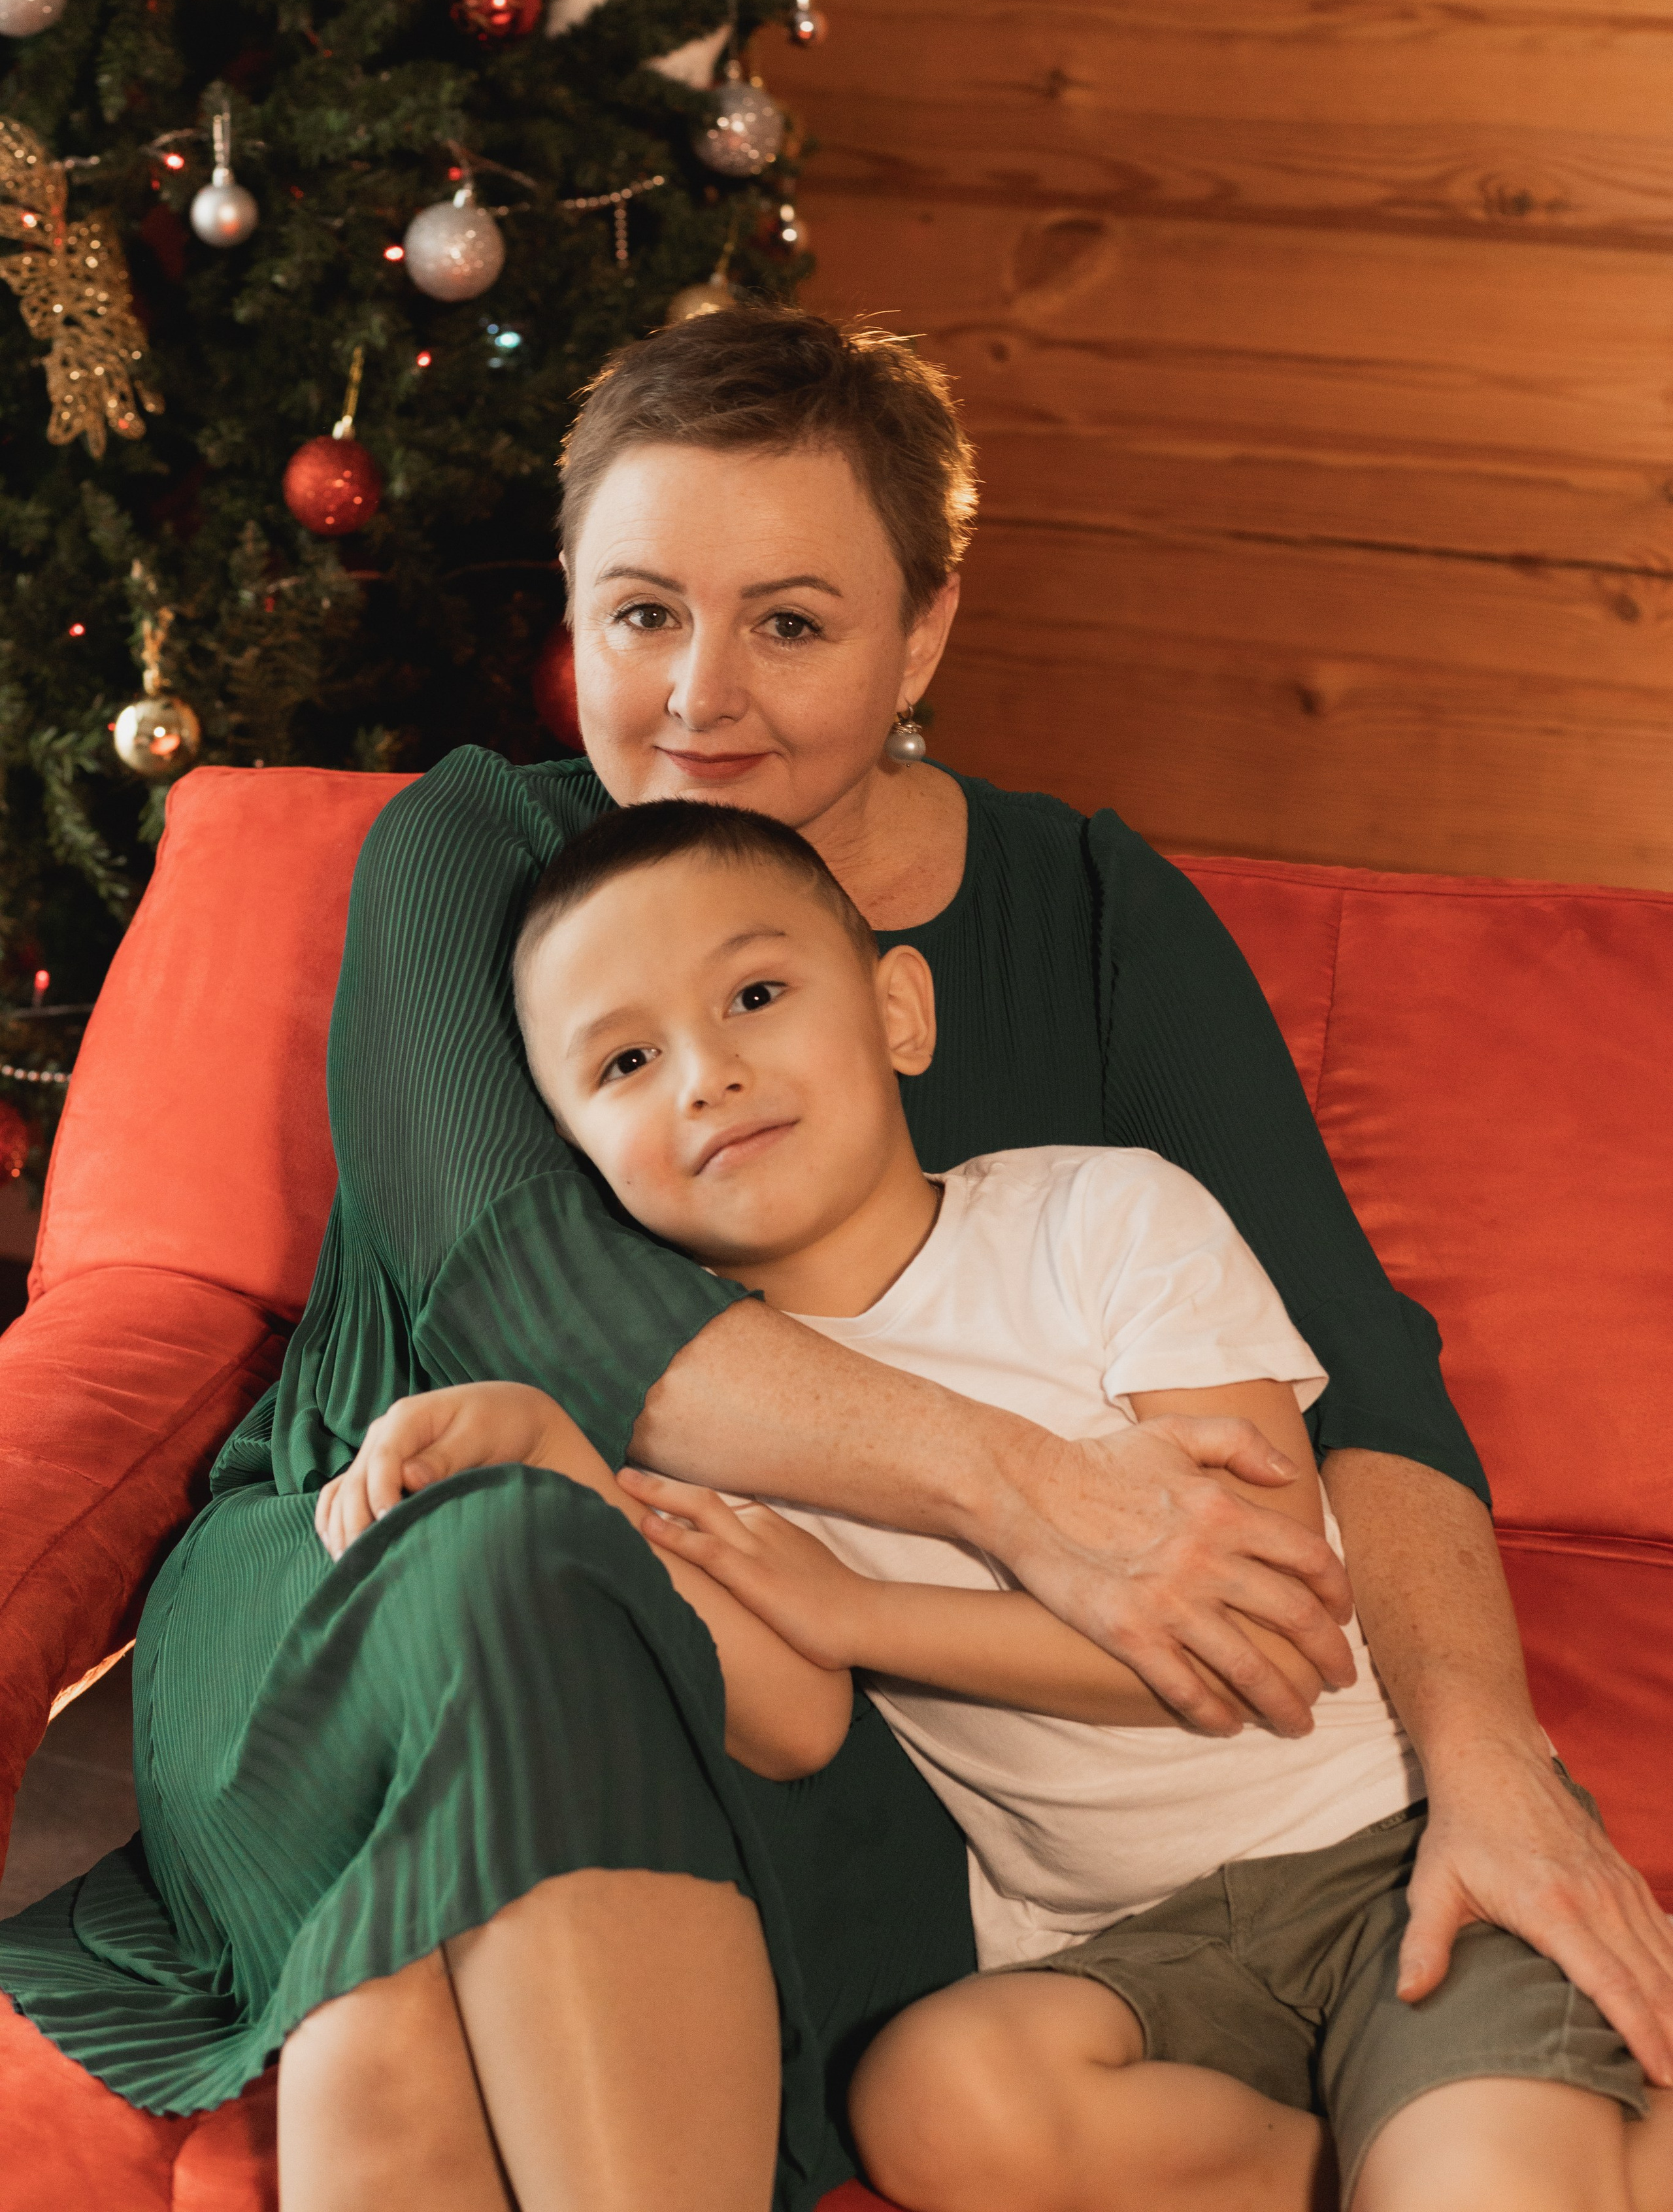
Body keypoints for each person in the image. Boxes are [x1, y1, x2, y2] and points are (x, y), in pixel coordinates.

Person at [2, 309, 1669, 2212]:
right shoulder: (472, 853)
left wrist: (1490, 1762)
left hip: (774, 1673)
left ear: (922, 633)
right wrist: (1037, 1497)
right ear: (574, 602)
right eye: (641, 614)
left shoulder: (1095, 921)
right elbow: (527, 1289)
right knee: (414, 1902)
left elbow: (1354, 1372)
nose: (697, 695)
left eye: (789, 623)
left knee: (437, 1997)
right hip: (365, 1566)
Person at [323, 790, 1665, 2212]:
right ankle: (1414, 2162)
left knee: (1486, 2183)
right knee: (928, 2102)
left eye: (756, 996)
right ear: (578, 1151)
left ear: (898, 1011)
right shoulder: (704, 1413)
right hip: (1121, 1946)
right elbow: (795, 1716)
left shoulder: (1103, 1222)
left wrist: (856, 1612)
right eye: (626, 1062)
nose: (705, 1076)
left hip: (1392, 1859)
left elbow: (1252, 1639)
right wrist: (558, 1472)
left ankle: (1490, 2146)